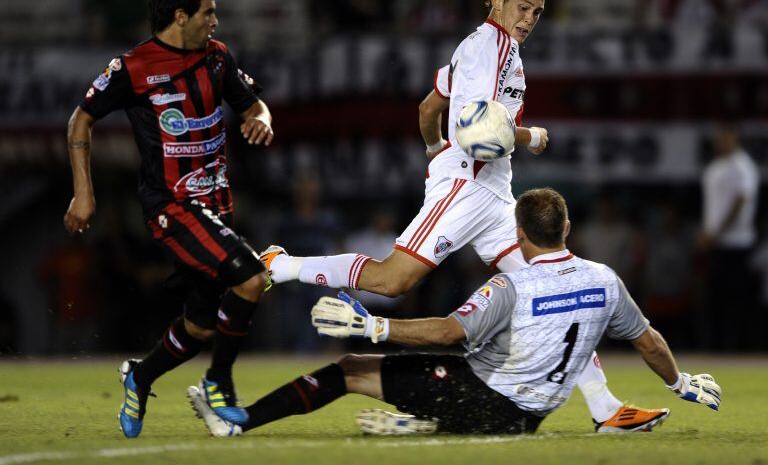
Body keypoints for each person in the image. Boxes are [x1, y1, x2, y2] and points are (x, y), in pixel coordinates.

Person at [260, 0, 665, 431]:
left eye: (537, 11)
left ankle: (606, 409)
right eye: (523, 7)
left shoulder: (488, 48)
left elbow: (429, 107)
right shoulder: (490, 49)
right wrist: (529, 136)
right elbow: (478, 131)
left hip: (493, 191)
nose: (530, 18)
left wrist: (434, 149)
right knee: (393, 281)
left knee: (555, 287)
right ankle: (280, 265)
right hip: (467, 185)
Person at [188, 188, 722, 437]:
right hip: (529, 415)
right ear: (566, 231)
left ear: (518, 234)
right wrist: (680, 384)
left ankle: (239, 422)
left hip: (489, 403)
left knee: (352, 369)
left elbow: (447, 332)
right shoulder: (605, 279)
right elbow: (649, 342)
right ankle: (425, 422)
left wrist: (374, 325)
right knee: (473, 360)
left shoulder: (511, 285)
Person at [63, 0, 273, 438]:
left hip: (216, 204)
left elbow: (253, 103)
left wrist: (262, 119)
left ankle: (140, 376)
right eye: (208, 12)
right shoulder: (134, 67)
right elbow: (80, 120)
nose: (215, 21)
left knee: (199, 328)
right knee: (253, 278)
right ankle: (218, 385)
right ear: (181, 15)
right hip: (172, 205)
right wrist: (83, 191)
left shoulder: (217, 58)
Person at [699, 124, 759, 349]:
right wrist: (707, 232)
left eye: (725, 136)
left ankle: (740, 350)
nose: (721, 141)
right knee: (715, 300)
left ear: (734, 137)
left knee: (736, 301)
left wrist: (717, 233)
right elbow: (713, 207)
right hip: (716, 244)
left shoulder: (743, 166)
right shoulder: (716, 166)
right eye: (719, 137)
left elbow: (740, 202)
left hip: (737, 244)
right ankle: (717, 349)